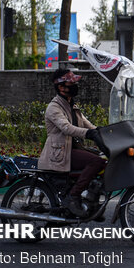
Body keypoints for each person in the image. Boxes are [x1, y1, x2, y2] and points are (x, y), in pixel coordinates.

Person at [37, 69, 105, 217]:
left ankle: (91, 201)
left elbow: (87, 124)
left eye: (75, 82)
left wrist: (102, 132)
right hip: (60, 153)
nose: (75, 85)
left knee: (103, 160)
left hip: (71, 149)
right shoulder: (54, 107)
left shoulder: (72, 106)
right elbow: (66, 128)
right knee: (96, 162)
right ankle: (74, 197)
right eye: (71, 83)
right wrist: (89, 134)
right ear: (61, 87)